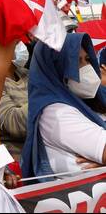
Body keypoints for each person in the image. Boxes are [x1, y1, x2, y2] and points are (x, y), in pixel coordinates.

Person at [21, 33, 106, 177]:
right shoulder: (55, 114)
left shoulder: (91, 101)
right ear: (56, 67)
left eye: (87, 60)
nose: (87, 68)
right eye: (77, 62)